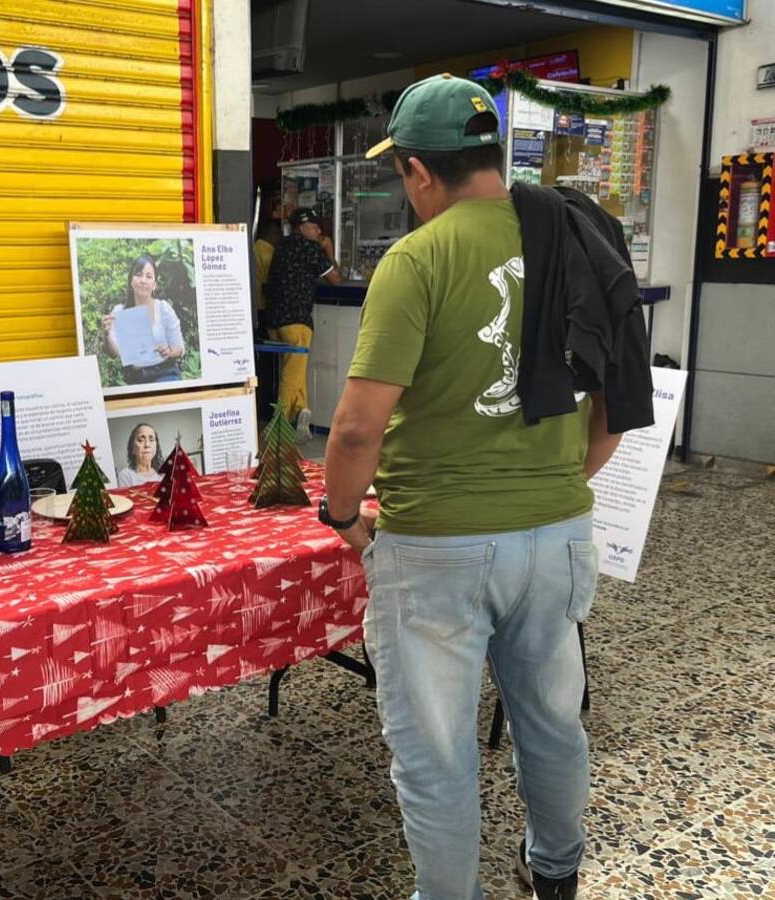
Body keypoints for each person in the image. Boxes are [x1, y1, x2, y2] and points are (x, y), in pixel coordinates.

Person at [320, 74, 629, 900]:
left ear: (420, 171)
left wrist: (342, 514)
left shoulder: (418, 258)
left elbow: (355, 428)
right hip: (556, 535)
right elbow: (614, 403)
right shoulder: (575, 237)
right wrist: (560, 486)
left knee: (437, 751)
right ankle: (555, 873)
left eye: (401, 175)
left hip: (437, 549)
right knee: (552, 724)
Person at [266, 206, 342, 440]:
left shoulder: (283, 246)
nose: (318, 231)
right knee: (292, 373)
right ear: (302, 228)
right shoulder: (310, 248)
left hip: (275, 320)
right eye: (314, 226)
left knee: (292, 369)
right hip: (297, 321)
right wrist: (329, 251)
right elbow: (336, 279)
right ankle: (277, 428)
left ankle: (301, 418)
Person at [101, 253, 185, 384]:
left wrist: (169, 351)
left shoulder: (163, 309)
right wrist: (106, 334)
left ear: (155, 284)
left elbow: (180, 349)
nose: (143, 280)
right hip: (135, 379)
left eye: (149, 276)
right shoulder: (120, 312)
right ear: (131, 281)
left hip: (165, 374)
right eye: (138, 275)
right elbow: (115, 353)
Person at [252, 218, 282, 333]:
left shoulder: (254, 247)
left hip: (253, 302)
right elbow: (272, 281)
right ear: (273, 234)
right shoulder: (270, 254)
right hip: (264, 304)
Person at [116, 422, 164, 487]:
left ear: (156, 447)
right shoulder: (125, 475)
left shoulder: (163, 475)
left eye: (151, 439)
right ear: (132, 448)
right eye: (141, 440)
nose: (147, 445)